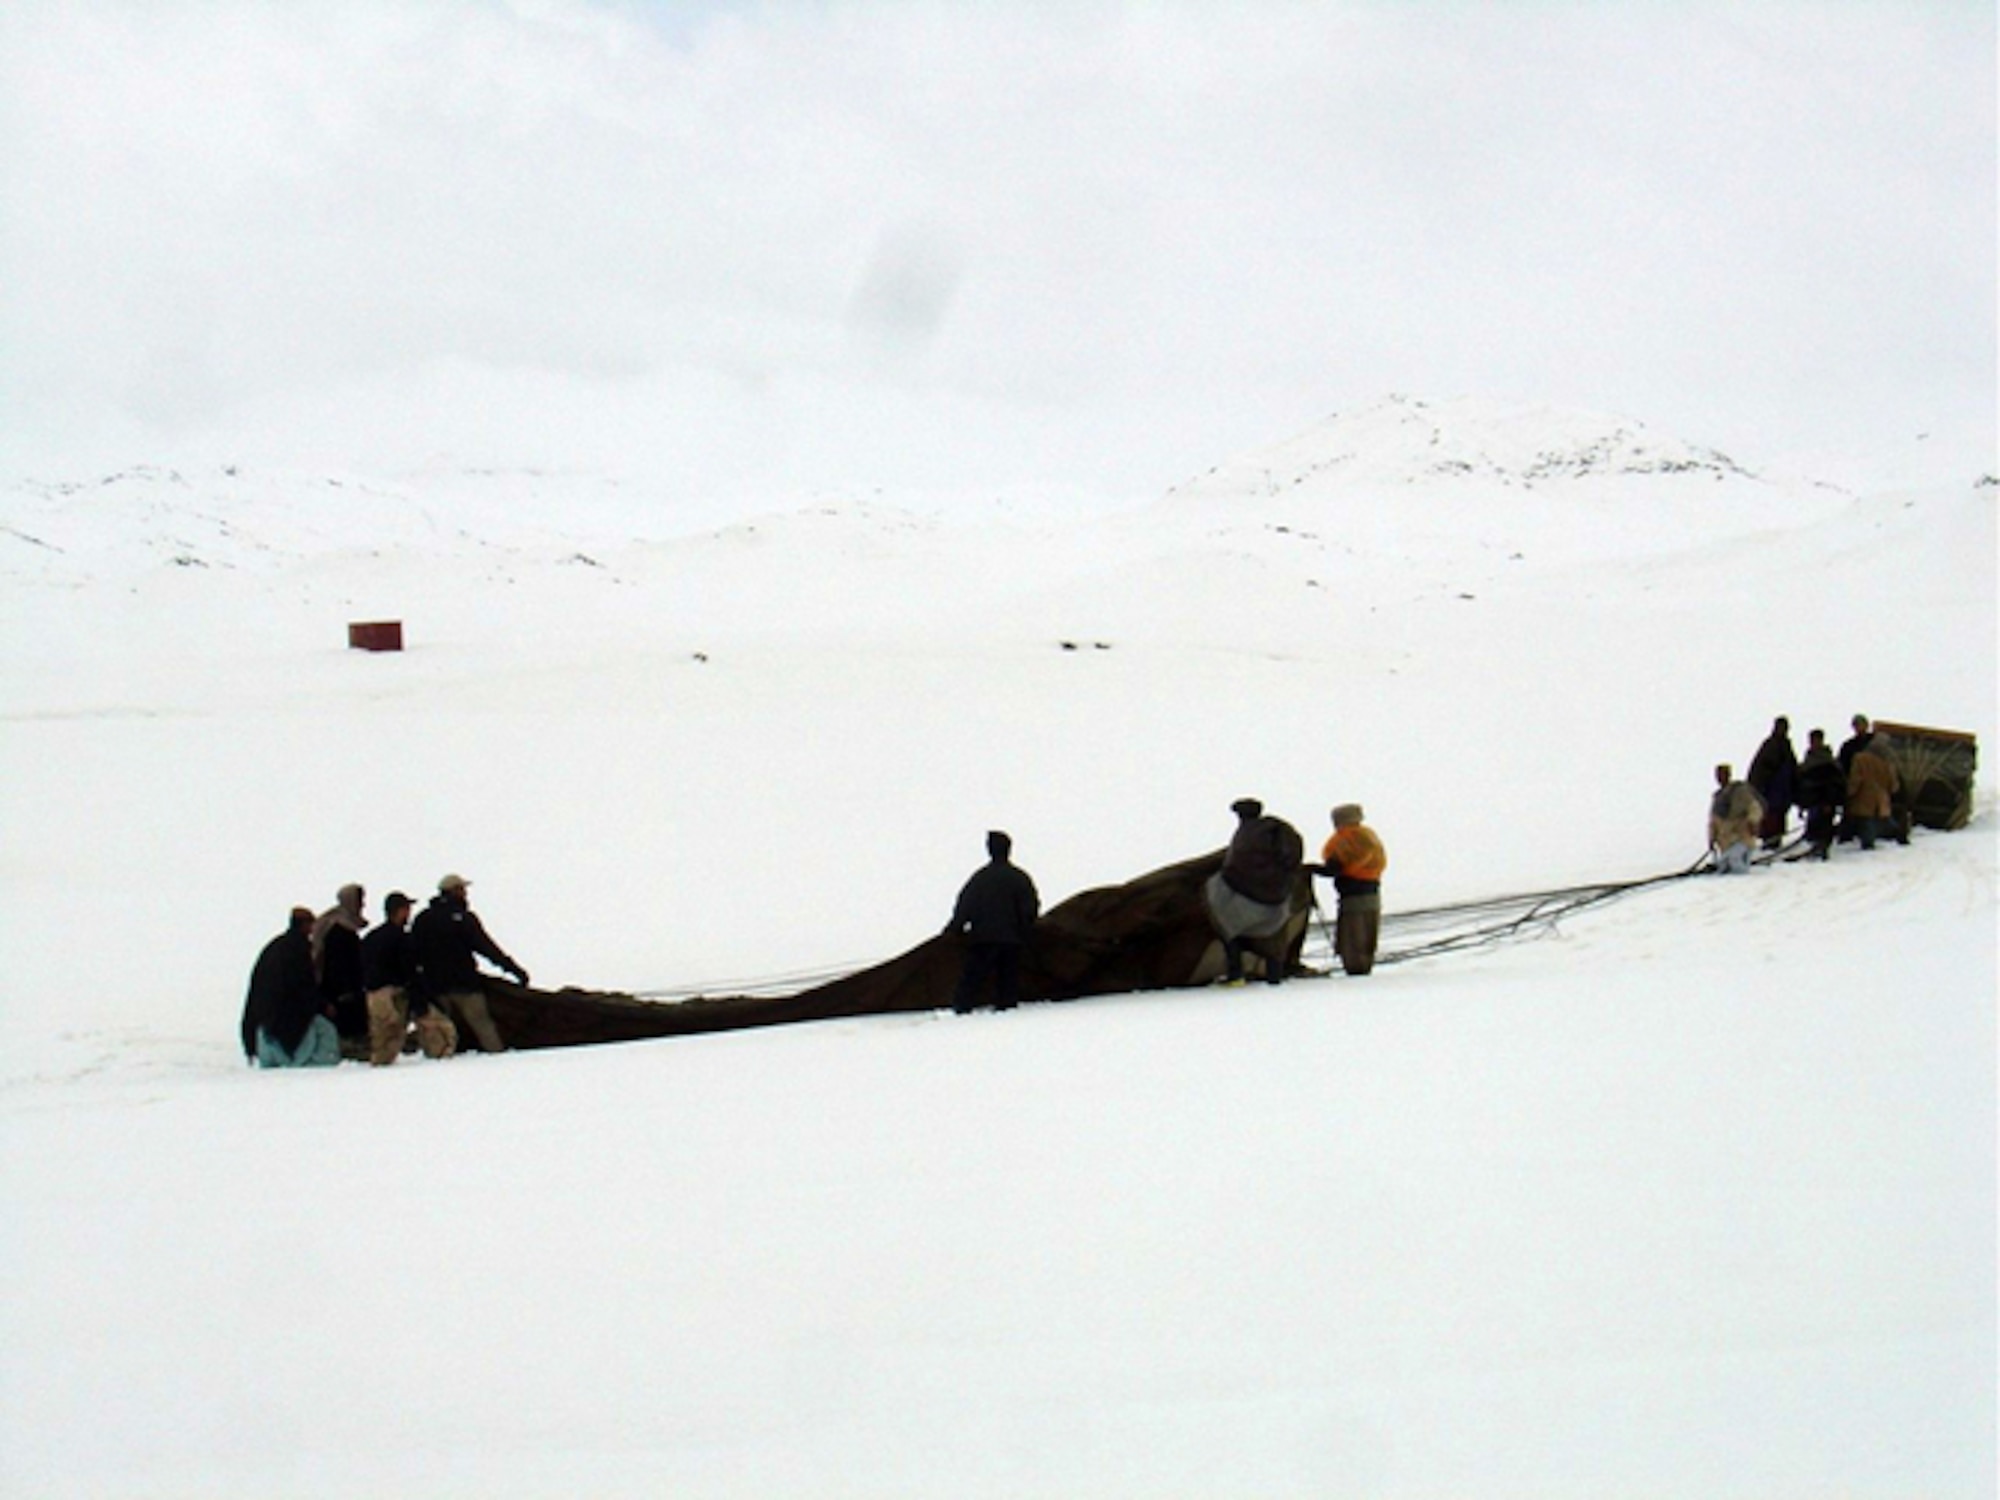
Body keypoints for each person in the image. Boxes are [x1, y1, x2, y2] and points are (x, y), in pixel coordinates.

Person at [410, 874, 529, 1054]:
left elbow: (413, 954)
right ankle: (497, 1061)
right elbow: (486, 947)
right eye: (462, 889)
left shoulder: (422, 919)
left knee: (441, 1035)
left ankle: (439, 1069)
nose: (465, 894)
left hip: (435, 988)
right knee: (484, 1028)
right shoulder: (464, 918)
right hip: (466, 986)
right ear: (454, 891)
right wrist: (513, 969)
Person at [1205, 798, 1305, 984]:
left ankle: (1236, 975)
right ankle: (1274, 977)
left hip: (1247, 896)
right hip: (1278, 896)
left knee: (1227, 928)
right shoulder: (1276, 830)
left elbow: (1235, 866)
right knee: (1273, 940)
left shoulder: (1246, 835)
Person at [943, 830, 1041, 1013]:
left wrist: (953, 929)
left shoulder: (980, 878)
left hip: (982, 939)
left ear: (989, 850)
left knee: (971, 982)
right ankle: (1004, 1012)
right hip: (1011, 941)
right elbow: (1030, 909)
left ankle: (962, 1010)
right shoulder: (1019, 878)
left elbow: (965, 905)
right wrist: (1025, 931)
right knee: (1007, 984)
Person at [360, 890, 457, 1064]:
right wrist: (420, 998)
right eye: (407, 909)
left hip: (374, 995)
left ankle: (378, 1075)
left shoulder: (371, 938)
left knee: (385, 1043)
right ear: (401, 911)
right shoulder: (402, 938)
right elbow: (410, 970)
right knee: (444, 1033)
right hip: (397, 993)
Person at [240, 906, 341, 1068]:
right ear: (305, 925)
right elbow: (302, 985)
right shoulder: (298, 950)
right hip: (289, 1020)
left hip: (267, 1024)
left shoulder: (273, 948)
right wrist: (322, 1005)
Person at [1313, 803, 1387, 976]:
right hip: (1373, 889)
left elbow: (1334, 867)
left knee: (1353, 933)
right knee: (1368, 930)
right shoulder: (1370, 836)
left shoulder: (1343, 839)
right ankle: (1365, 964)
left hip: (1352, 892)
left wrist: (1312, 869)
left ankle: (1355, 968)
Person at [311, 882, 369, 1047]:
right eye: (360, 901)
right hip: (341, 995)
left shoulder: (335, 925)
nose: (363, 905)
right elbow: (339, 965)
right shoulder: (340, 931)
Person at [1746, 716, 1798, 850]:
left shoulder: (1786, 746)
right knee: (1771, 820)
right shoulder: (1770, 745)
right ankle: (1770, 843)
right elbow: (1759, 771)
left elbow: (1792, 768)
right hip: (1770, 793)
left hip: (1782, 793)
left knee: (1778, 819)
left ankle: (1775, 842)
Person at [1793, 728, 1844, 860]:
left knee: (1823, 828)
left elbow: (1834, 783)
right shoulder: (1809, 759)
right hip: (1812, 801)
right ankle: (1815, 849)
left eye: (1815, 740)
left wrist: (1829, 801)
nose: (1813, 743)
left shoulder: (1828, 761)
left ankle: (1821, 850)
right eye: (1811, 740)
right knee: (1814, 828)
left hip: (1824, 801)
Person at [1707, 764, 1765, 875]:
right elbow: (1713, 821)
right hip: (1726, 843)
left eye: (1723, 775)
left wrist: (1753, 822)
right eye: (1718, 775)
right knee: (1724, 867)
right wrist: (1711, 838)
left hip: (1742, 839)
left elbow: (1755, 808)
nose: (1720, 778)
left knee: (1735, 862)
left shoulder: (1740, 792)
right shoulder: (1718, 798)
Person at [1845, 737, 1902, 851]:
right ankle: (1900, 835)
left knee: (1866, 821)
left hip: (1863, 797)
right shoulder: (1887, 762)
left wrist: (1849, 793)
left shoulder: (1860, 759)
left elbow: (1856, 779)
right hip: (1881, 798)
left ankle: (1868, 844)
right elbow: (1894, 785)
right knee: (1884, 819)